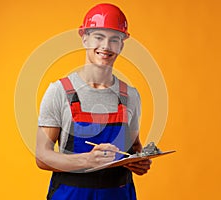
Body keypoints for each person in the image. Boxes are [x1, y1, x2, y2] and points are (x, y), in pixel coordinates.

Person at [36, 3, 151, 200]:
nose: (106, 46)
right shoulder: (59, 91)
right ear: (85, 38)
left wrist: (139, 161)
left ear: (122, 44)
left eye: (114, 39)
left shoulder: (130, 96)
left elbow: (134, 147)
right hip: (71, 195)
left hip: (119, 194)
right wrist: (88, 160)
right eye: (99, 37)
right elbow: (42, 156)